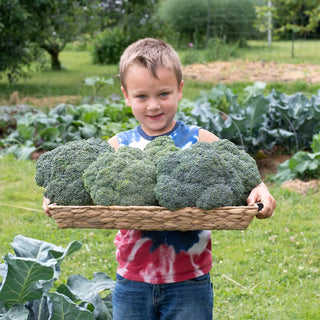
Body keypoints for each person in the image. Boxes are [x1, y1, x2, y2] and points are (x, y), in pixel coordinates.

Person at [43, 38, 276, 319]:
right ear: (126, 96)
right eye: (141, 97)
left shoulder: (199, 139)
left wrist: (260, 189)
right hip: (132, 279)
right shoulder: (118, 145)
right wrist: (54, 196)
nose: (153, 106)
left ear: (179, 90)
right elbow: (80, 180)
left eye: (163, 94)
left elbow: (243, 171)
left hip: (190, 279)